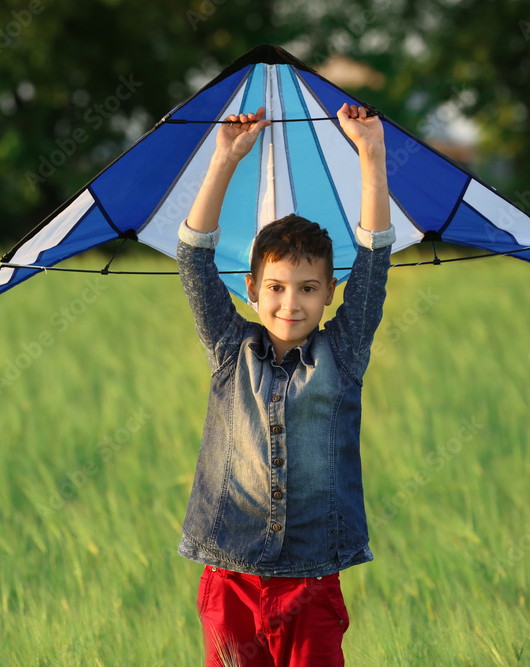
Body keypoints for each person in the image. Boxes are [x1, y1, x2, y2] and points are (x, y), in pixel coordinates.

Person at [175, 102, 394, 667]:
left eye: (307, 287)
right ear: (251, 288)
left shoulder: (342, 354)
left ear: (328, 292)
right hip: (231, 575)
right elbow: (193, 257)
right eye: (275, 286)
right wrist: (224, 158)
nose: (290, 302)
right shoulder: (230, 349)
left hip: (313, 578)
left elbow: (373, 260)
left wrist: (371, 152)